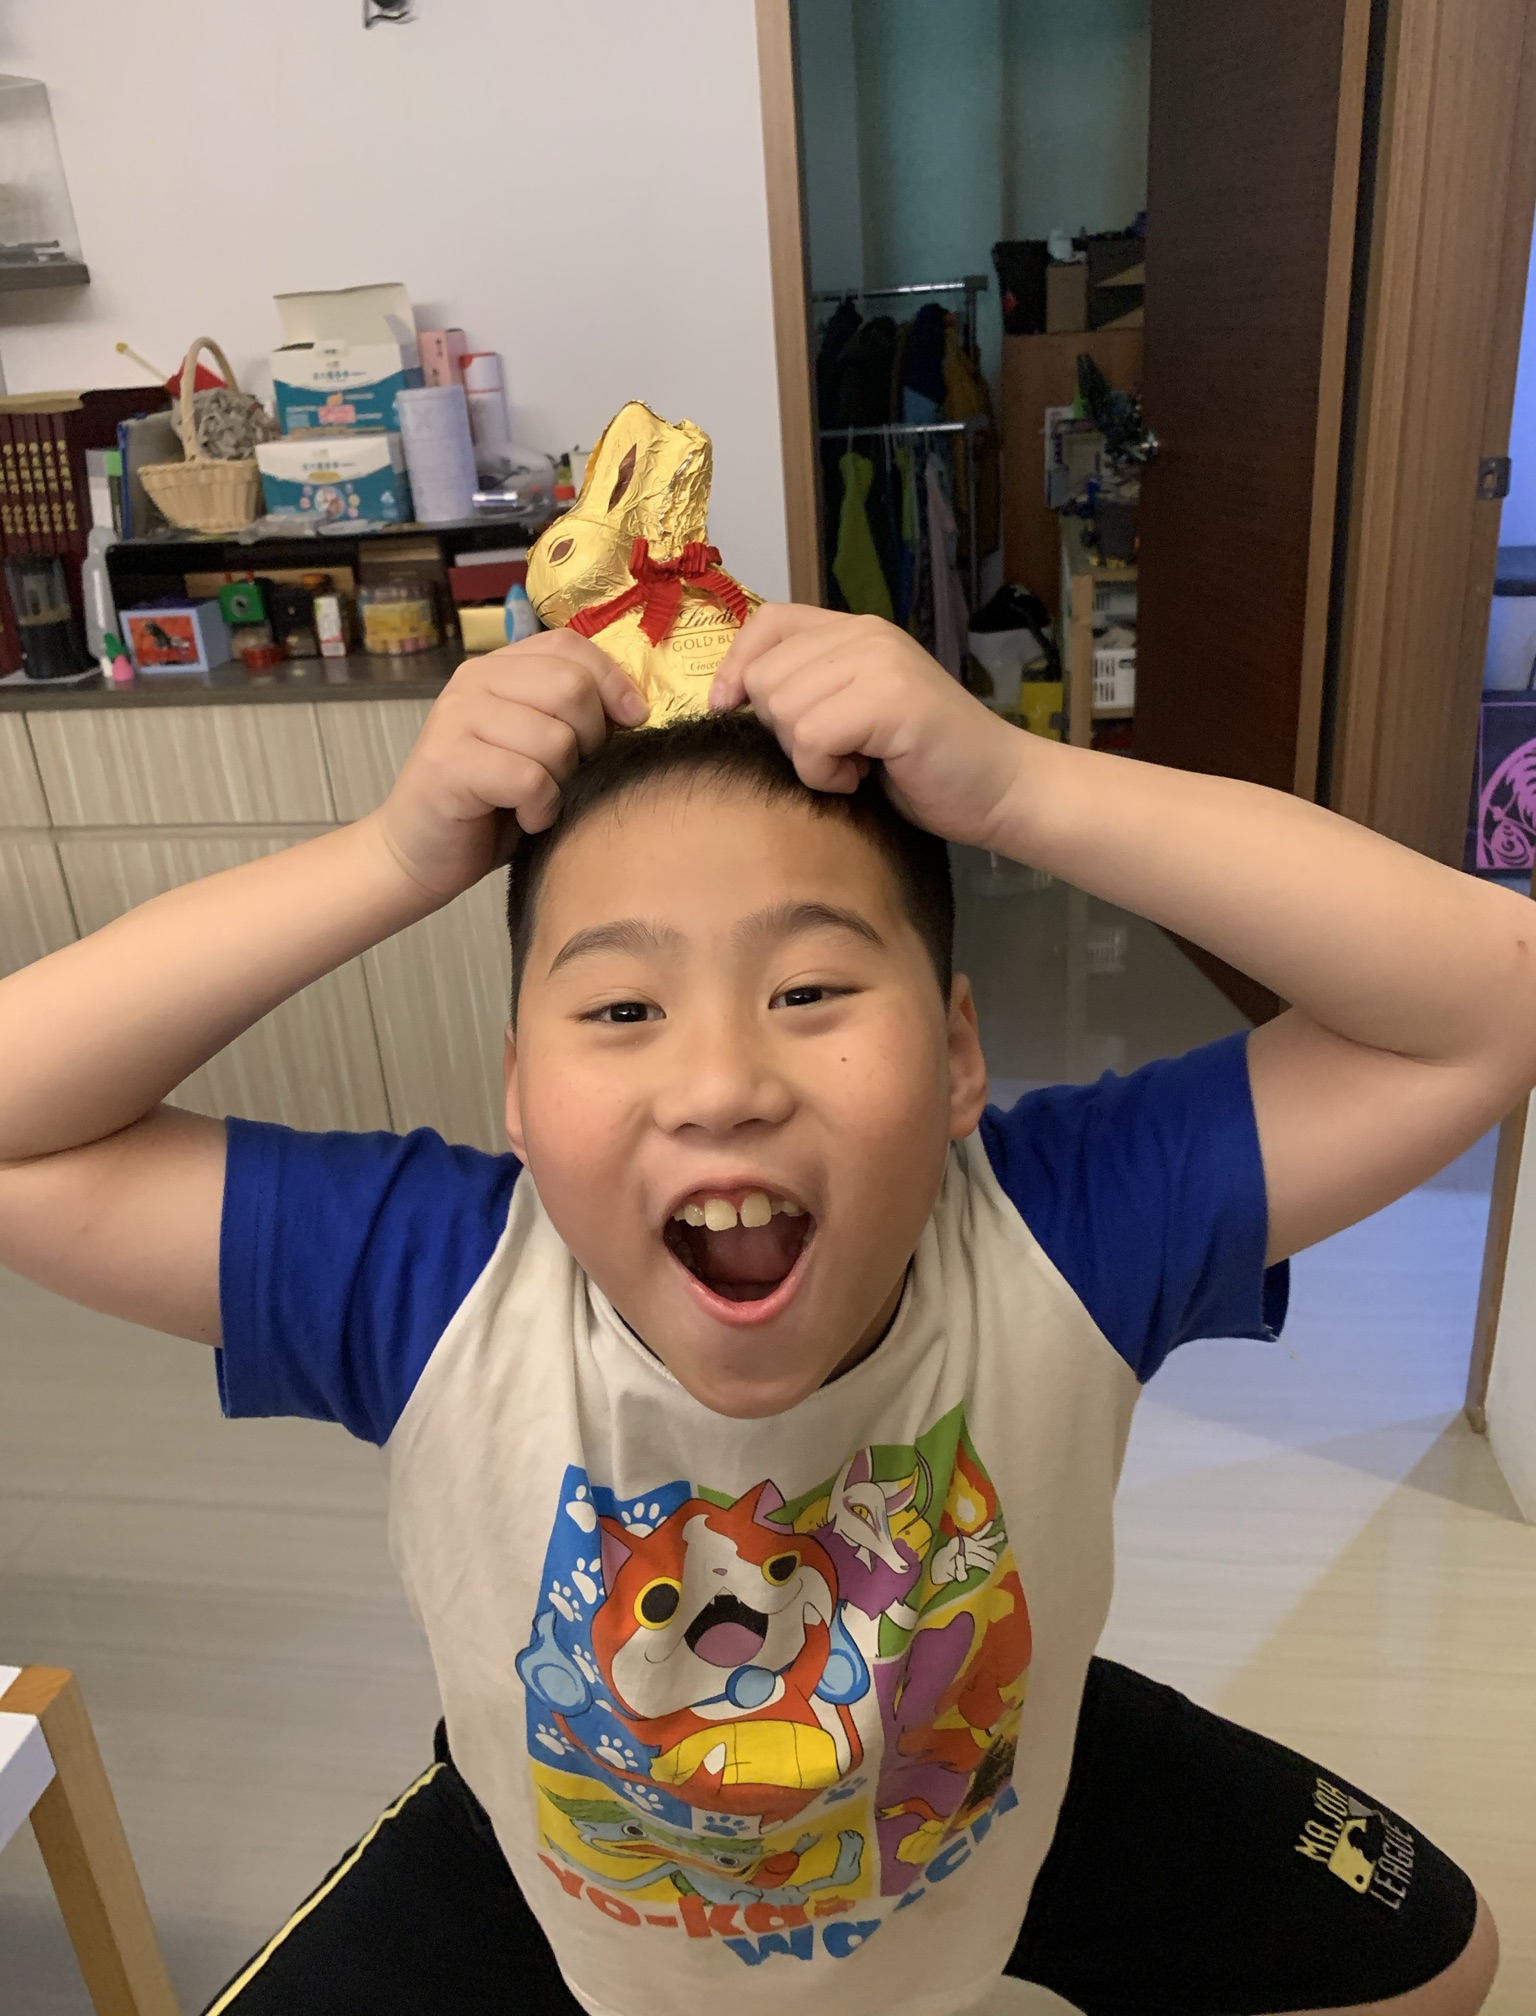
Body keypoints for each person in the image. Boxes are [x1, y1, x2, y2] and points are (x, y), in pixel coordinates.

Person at [0, 606, 1522, 2016]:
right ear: (517, 1088)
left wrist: (1018, 784)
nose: (721, 1083)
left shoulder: (1059, 1236)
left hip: (976, 1758)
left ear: (959, 1057)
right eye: (621, 1009)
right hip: (554, 1839)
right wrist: (392, 857)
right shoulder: (435, 1286)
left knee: (1444, 1962)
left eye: (808, 992)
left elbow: (1490, 1000)